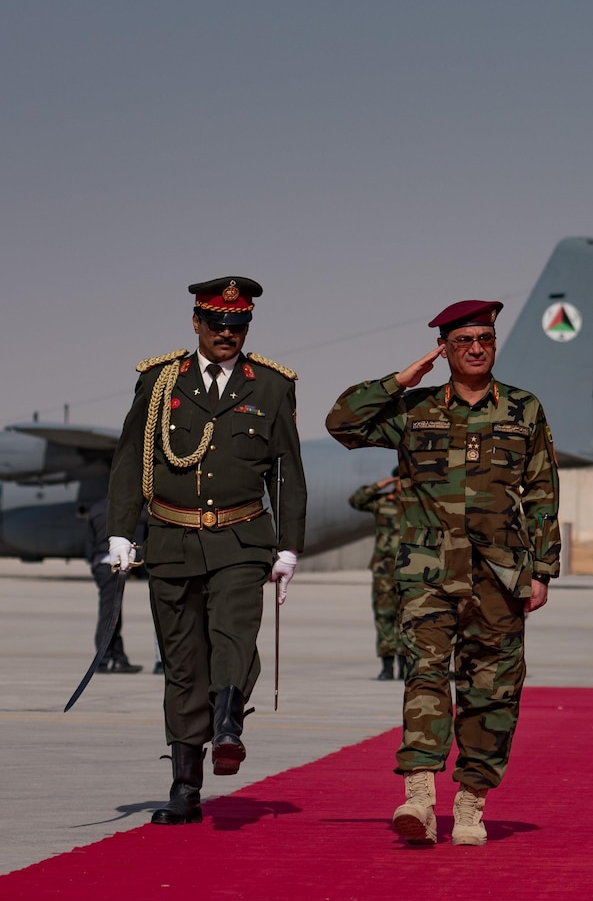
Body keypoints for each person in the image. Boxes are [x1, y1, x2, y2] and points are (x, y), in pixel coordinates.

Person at [326, 301, 561, 848]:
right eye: (463, 341)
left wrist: (544, 568)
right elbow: (342, 422)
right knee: (426, 678)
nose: (476, 348)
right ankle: (419, 800)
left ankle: (472, 804)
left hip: (502, 575)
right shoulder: (416, 407)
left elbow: (543, 490)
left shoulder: (524, 408)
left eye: (484, 338)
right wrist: (400, 379)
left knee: (493, 690)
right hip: (427, 572)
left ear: (494, 344)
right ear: (445, 349)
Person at [106, 276, 305, 826]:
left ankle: (227, 728)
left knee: (234, 636)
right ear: (196, 322)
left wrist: (288, 547)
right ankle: (185, 786)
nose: (227, 334)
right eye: (217, 324)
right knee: (183, 663)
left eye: (237, 326)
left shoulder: (270, 385)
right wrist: (121, 532)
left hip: (242, 539)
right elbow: (129, 460)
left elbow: (287, 471)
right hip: (171, 540)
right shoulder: (159, 380)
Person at [349, 476, 407, 680]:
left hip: (408, 569)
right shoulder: (383, 502)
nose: (402, 484)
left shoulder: (417, 502)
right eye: (399, 480)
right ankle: (387, 667)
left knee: (406, 618)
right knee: (384, 616)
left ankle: (404, 666)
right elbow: (356, 500)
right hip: (384, 569)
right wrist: (380, 485)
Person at [83, 492, 141, 675]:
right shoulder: (121, 510)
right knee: (109, 613)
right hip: (114, 563)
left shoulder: (96, 509)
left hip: (101, 562)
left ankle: (118, 657)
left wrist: (93, 562)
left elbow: (88, 543)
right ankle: (103, 659)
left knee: (114, 612)